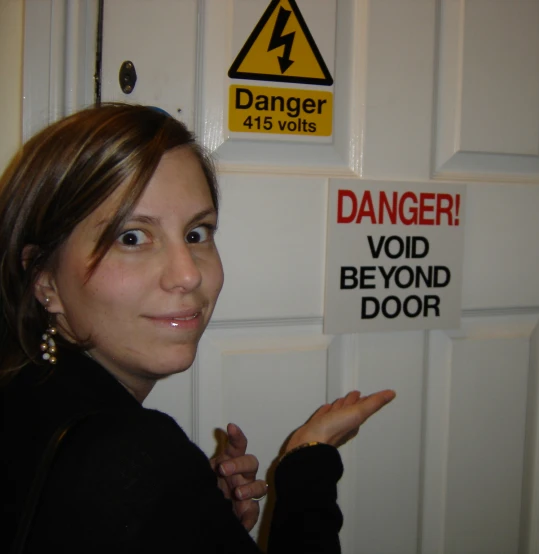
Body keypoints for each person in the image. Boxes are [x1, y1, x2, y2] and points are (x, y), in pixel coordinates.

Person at [0, 104, 395, 553]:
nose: (188, 274)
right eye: (132, 237)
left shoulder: (24, 392)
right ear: (42, 277)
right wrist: (308, 459)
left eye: (196, 233)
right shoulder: (131, 454)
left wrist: (195, 515)